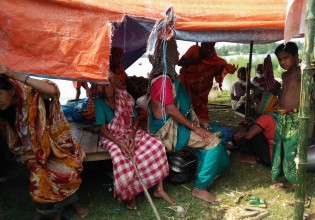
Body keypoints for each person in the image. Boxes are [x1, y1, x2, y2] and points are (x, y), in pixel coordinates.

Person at [148, 33, 229, 203]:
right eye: (175, 51)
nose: (178, 55)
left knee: (215, 131)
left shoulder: (168, 77)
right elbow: (170, 109)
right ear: (167, 55)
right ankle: (200, 188)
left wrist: (199, 123)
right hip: (168, 132)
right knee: (213, 143)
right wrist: (195, 127)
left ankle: (207, 169)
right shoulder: (162, 79)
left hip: (174, 126)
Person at [0, 65, 88, 219]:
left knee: (66, 171)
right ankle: (40, 209)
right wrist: (34, 153)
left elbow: (52, 91)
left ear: (12, 90)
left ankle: (73, 204)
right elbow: (16, 141)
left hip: (55, 146)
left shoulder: (30, 94)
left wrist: (12, 74)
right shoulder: (4, 114)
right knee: (39, 176)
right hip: (30, 151)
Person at [95, 72, 175, 210]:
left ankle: (159, 189)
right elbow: (103, 129)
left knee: (157, 146)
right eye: (103, 86)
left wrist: (132, 135)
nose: (106, 89)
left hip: (130, 132)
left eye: (109, 85)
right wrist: (119, 142)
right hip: (112, 136)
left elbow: (136, 119)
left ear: (115, 86)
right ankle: (130, 195)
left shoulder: (125, 98)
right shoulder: (99, 103)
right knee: (122, 159)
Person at [178, 42, 237, 126]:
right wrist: (196, 62)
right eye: (207, 47)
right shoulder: (194, 49)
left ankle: (202, 125)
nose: (209, 50)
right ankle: (188, 124)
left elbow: (216, 71)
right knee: (188, 104)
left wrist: (226, 69)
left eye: (212, 47)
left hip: (203, 88)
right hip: (189, 84)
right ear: (202, 45)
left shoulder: (213, 56)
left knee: (202, 107)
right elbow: (180, 63)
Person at [270, 41, 302, 189]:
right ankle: (285, 175)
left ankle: (294, 181)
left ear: (296, 57)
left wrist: (311, 69)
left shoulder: (302, 73)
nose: (283, 62)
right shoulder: (284, 75)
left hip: (295, 117)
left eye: (286, 57)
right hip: (283, 116)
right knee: (281, 147)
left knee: (292, 148)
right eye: (280, 59)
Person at [232, 92, 280, 167]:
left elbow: (248, 136)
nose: (255, 106)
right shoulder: (279, 114)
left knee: (253, 133)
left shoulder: (266, 117)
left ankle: (257, 159)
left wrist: (238, 138)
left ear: (265, 104)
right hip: (282, 157)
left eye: (257, 103)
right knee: (252, 127)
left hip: (270, 159)